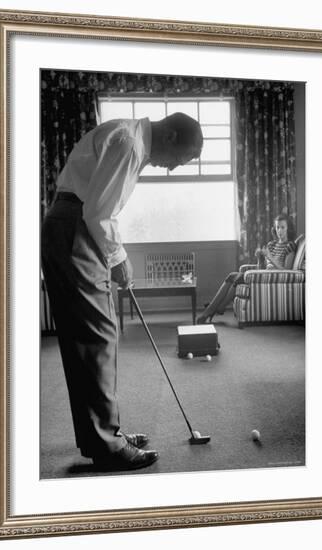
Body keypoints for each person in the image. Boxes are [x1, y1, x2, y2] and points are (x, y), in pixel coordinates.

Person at [41, 113, 203, 471]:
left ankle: (102, 436)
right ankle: (107, 446)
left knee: (91, 338)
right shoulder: (130, 144)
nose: (175, 168)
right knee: (96, 337)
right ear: (172, 135)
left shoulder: (130, 136)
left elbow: (99, 207)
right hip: (75, 229)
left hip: (70, 226)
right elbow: (99, 213)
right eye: (182, 158)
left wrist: (113, 256)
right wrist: (120, 259)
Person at [197, 214, 296, 324]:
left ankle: (211, 310)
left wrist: (270, 257)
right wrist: (260, 258)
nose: (279, 231)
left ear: (288, 228)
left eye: (283, 227)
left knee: (239, 277)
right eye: (277, 227)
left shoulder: (290, 246)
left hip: (275, 278)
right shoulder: (271, 244)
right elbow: (262, 267)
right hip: (263, 276)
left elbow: (287, 270)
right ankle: (217, 308)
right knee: (232, 275)